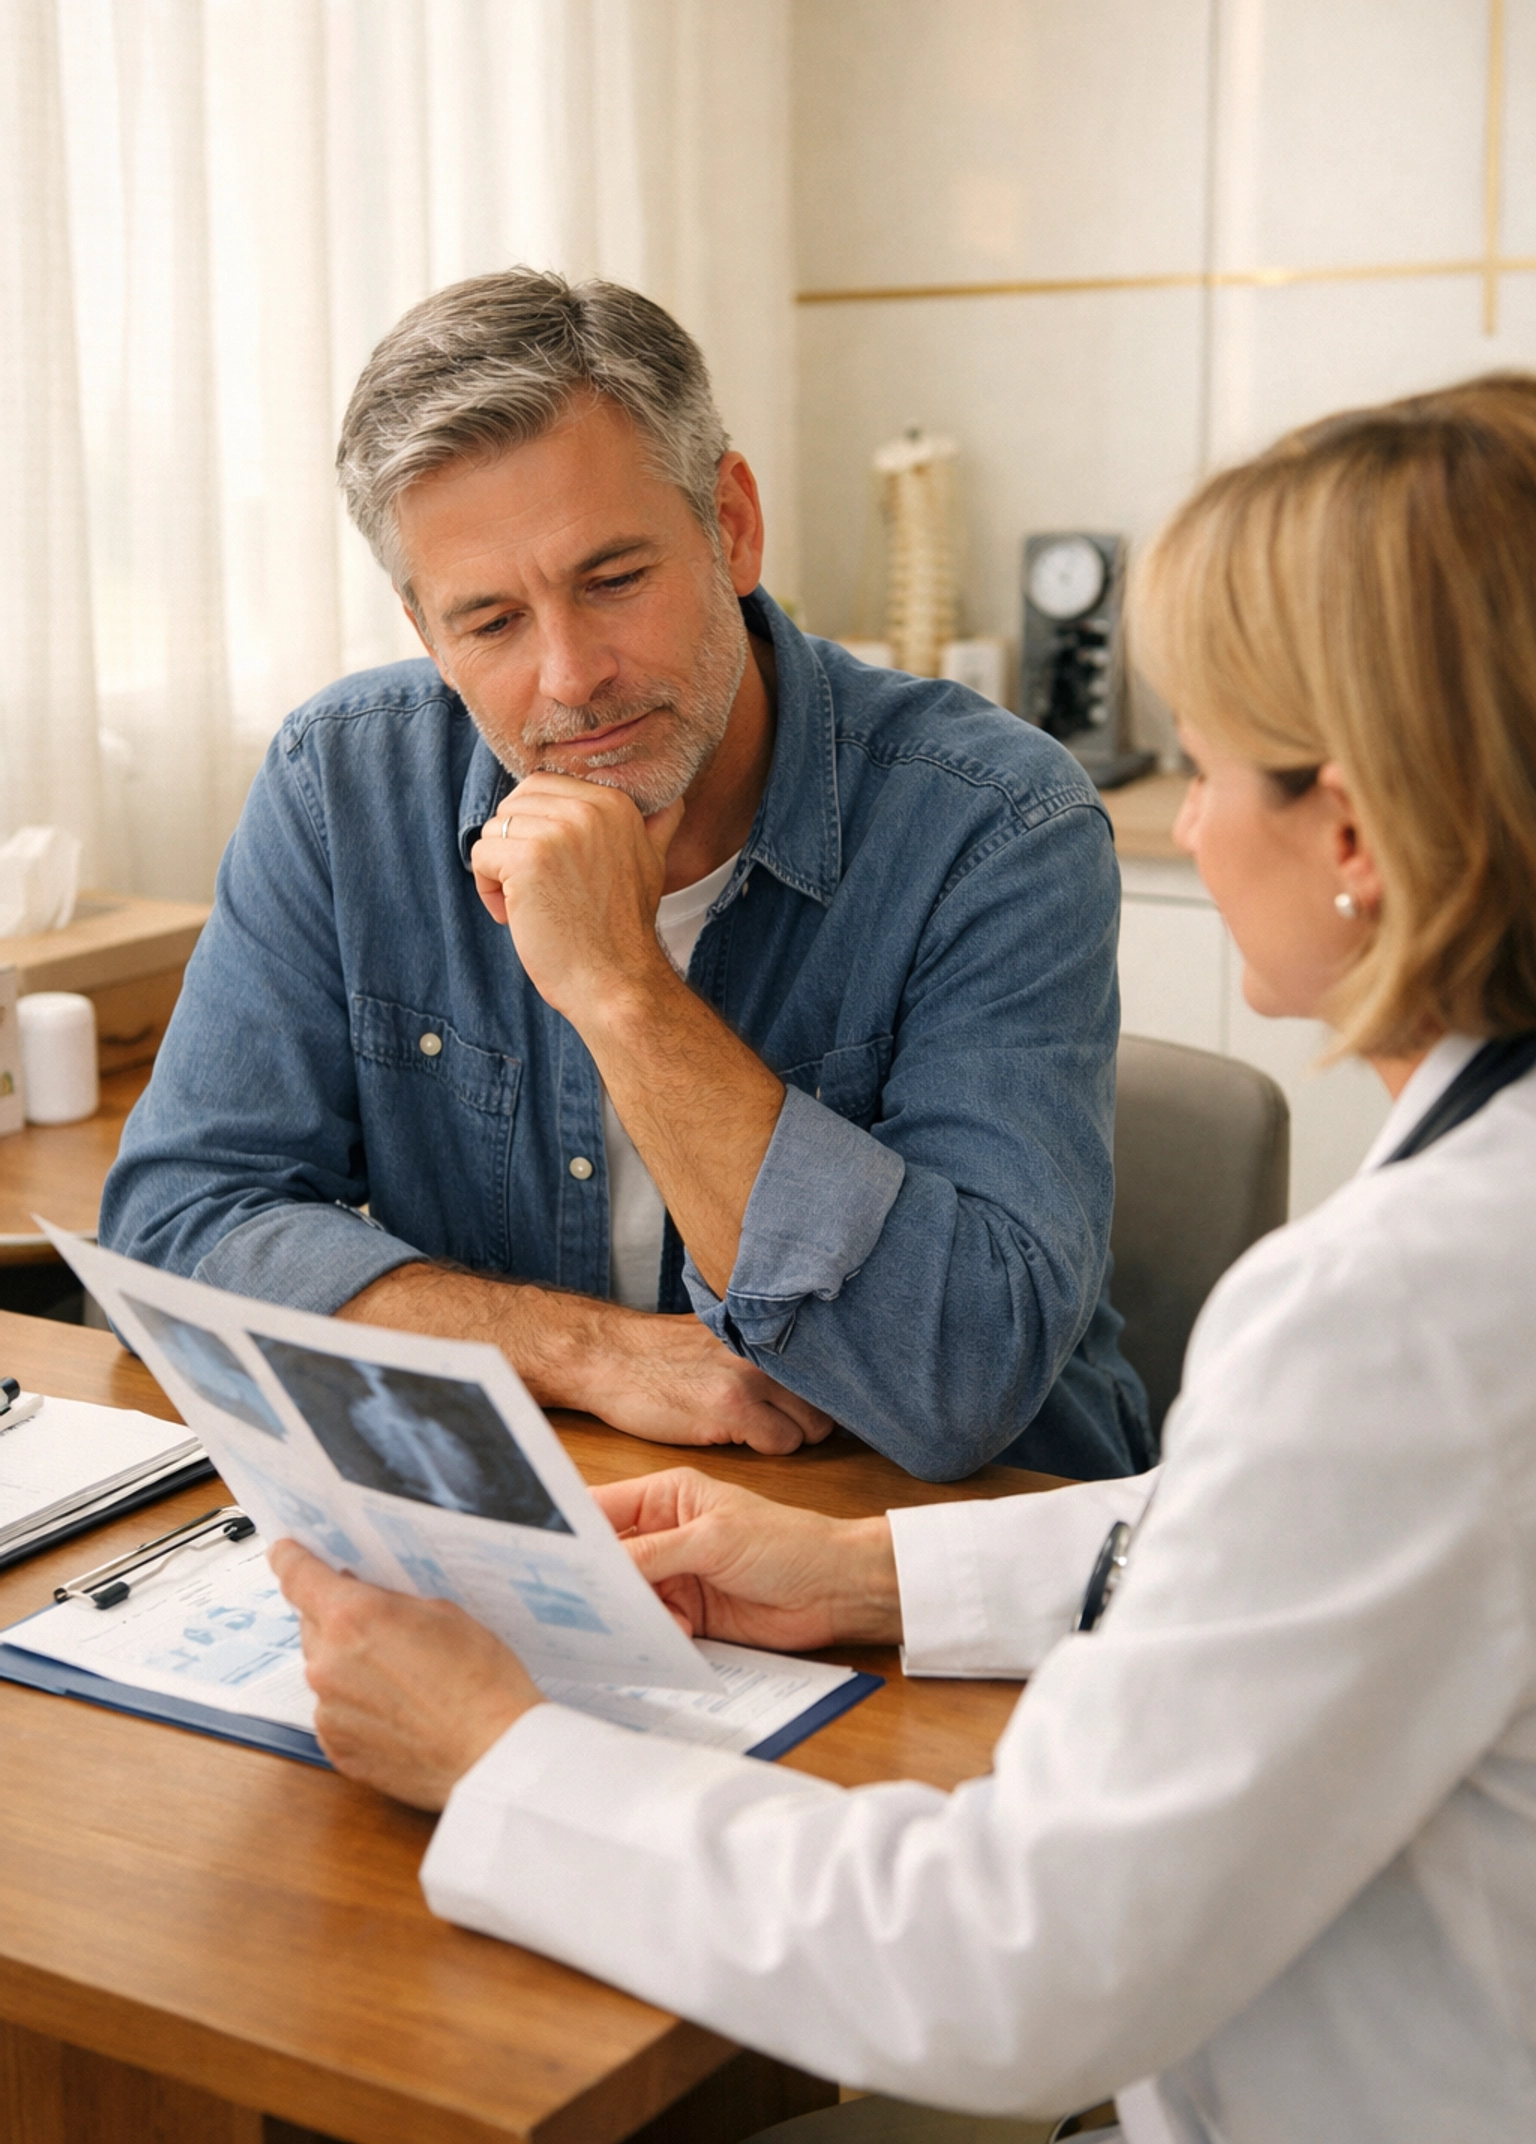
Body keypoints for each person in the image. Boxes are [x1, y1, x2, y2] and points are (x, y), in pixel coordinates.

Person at [275, 374, 1536, 2142]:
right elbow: (1315, 1541)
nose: (1186, 825)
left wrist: (500, 1757)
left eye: (1210, 761)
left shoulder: (1399, 1311)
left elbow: (1014, 1969)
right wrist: (877, 1572)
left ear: (1347, 831)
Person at [102, 269, 1150, 1483]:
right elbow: (177, 1227)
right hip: (570, 1517)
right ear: (425, 629)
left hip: (940, 1540)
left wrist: (620, 986)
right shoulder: (341, 785)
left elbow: (963, 1373)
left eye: (612, 580)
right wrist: (582, 1353)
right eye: (491, 622)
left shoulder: (997, 820)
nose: (571, 678)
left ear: (733, 526)